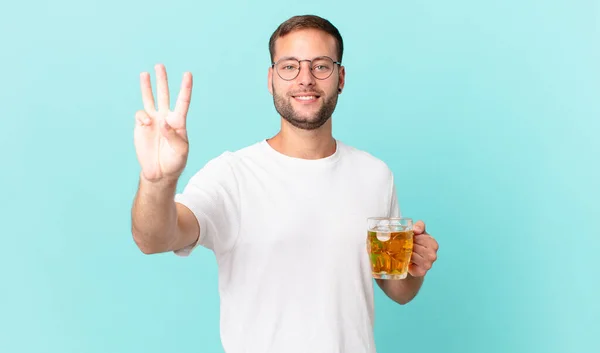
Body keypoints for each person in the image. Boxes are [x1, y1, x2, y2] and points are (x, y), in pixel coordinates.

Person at [131, 14, 439, 353]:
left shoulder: (375, 174)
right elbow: (154, 238)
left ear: (341, 77)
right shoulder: (232, 175)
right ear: (271, 78)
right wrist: (158, 180)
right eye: (289, 66)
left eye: (321, 66)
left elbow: (399, 290)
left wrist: (415, 267)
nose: (305, 79)